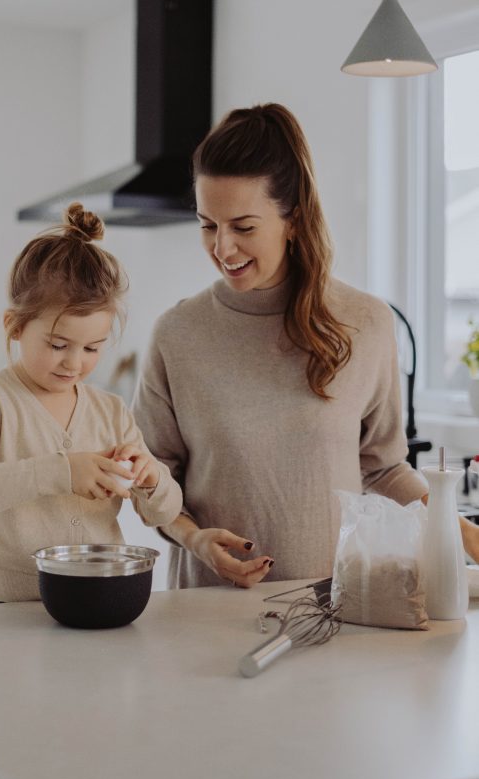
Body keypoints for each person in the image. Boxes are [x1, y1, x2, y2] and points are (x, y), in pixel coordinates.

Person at [132, 103, 479, 590]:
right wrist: (195, 539)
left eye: (244, 227)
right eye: (208, 225)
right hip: (207, 611)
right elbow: (152, 480)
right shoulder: (177, 334)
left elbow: (383, 468)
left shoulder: (365, 323)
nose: (223, 248)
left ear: (292, 219)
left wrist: (463, 532)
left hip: (335, 606)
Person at [0, 202, 183, 604]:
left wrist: (152, 477)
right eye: (57, 345)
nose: (74, 362)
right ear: (15, 326)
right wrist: (62, 472)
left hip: (98, 598)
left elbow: (164, 512)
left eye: (92, 347)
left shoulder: (111, 411)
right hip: (6, 607)